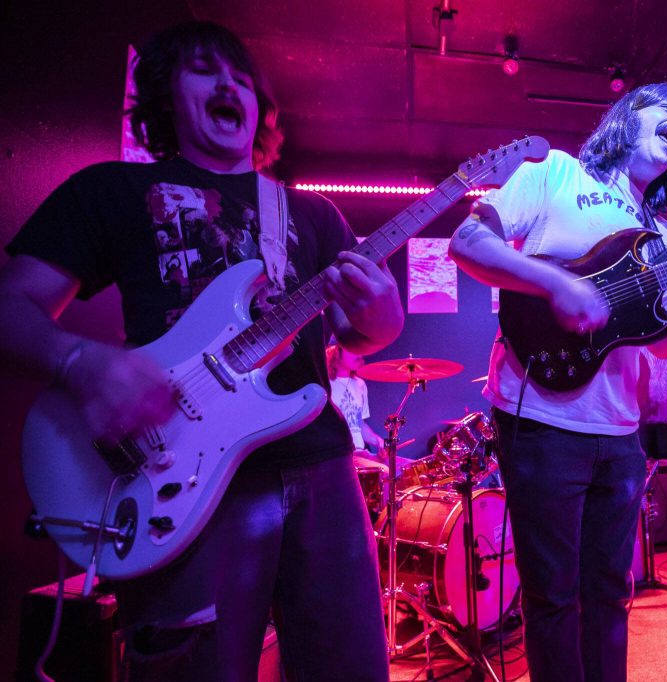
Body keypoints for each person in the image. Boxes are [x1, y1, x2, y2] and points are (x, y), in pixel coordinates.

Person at [0, 21, 403, 681]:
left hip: (321, 468)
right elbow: (11, 304)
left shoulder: (312, 215)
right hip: (175, 478)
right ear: (163, 95)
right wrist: (81, 361)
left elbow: (367, 336)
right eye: (204, 71)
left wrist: (382, 313)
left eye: (243, 79)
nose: (229, 86)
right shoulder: (113, 192)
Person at [449, 82, 667, 681]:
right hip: (541, 417)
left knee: (609, 595)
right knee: (552, 597)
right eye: (665, 111)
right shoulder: (558, 175)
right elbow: (467, 242)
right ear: (627, 119)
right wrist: (556, 284)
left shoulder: (666, 237)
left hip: (621, 430)